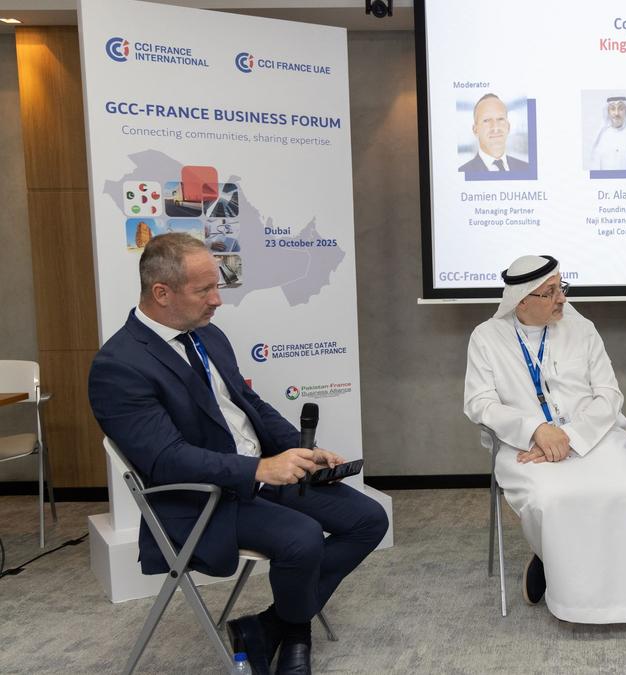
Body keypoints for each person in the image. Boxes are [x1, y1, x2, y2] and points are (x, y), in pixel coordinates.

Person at [88, 233, 388, 675]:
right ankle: (296, 634)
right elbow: (167, 459)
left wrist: (300, 450)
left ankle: (270, 626)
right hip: (203, 498)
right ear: (161, 293)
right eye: (205, 290)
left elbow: (251, 407)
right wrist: (259, 468)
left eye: (217, 287)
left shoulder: (208, 336)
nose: (217, 300)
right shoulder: (119, 366)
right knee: (302, 538)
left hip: (257, 476)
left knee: (369, 519)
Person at [463, 255, 626, 623]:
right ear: (522, 300)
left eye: (561, 288)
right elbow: (479, 403)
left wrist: (569, 435)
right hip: (527, 447)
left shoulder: (582, 329)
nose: (562, 299)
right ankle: (554, 566)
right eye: (550, 292)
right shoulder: (486, 338)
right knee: (551, 499)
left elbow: (609, 394)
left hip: (594, 438)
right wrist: (535, 430)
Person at [459, 93, 530, 172]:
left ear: (508, 127)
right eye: (486, 120)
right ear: (475, 130)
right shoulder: (463, 172)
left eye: (500, 119)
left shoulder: (526, 168)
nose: (495, 128)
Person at [589, 96, 626, 170]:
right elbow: (595, 164)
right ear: (608, 112)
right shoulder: (601, 136)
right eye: (612, 109)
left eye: (621, 109)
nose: (616, 113)